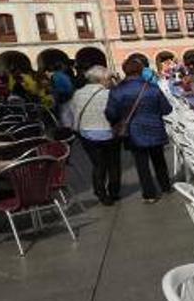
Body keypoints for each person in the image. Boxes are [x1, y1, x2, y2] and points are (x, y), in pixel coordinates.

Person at [105, 57, 173, 203]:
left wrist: (119, 119)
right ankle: (165, 186)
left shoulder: (118, 90)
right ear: (141, 71)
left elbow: (111, 113)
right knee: (159, 160)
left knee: (141, 164)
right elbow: (167, 109)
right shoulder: (152, 88)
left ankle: (149, 194)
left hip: (133, 132)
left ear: (124, 71)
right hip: (155, 128)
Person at [69, 65, 121, 206]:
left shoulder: (78, 93)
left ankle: (101, 193)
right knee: (113, 163)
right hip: (108, 133)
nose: (111, 81)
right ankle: (114, 191)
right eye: (109, 78)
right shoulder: (109, 93)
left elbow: (72, 111)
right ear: (102, 79)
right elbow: (116, 113)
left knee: (98, 165)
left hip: (86, 134)